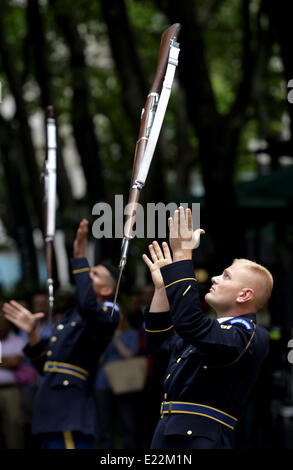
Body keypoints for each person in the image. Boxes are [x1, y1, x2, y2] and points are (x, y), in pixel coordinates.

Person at [142, 206, 272, 449]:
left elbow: (191, 325)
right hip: (168, 436)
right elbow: (159, 347)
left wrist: (182, 257)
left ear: (245, 295)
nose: (214, 278)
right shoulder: (213, 331)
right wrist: (162, 289)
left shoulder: (250, 333)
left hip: (199, 442)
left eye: (226, 276)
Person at [2, 219, 120, 449]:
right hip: (49, 409)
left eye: (93, 274)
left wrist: (79, 258)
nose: (85, 275)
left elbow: (89, 306)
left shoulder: (108, 313)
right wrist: (33, 333)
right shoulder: (71, 317)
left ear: (106, 290)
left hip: (69, 410)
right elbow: (44, 364)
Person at [0, 314, 26, 449]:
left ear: (8, 324)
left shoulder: (17, 340)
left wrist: (6, 361)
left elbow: (15, 363)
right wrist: (7, 360)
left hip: (11, 390)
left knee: (13, 425)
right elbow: (10, 361)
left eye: (2, 323)